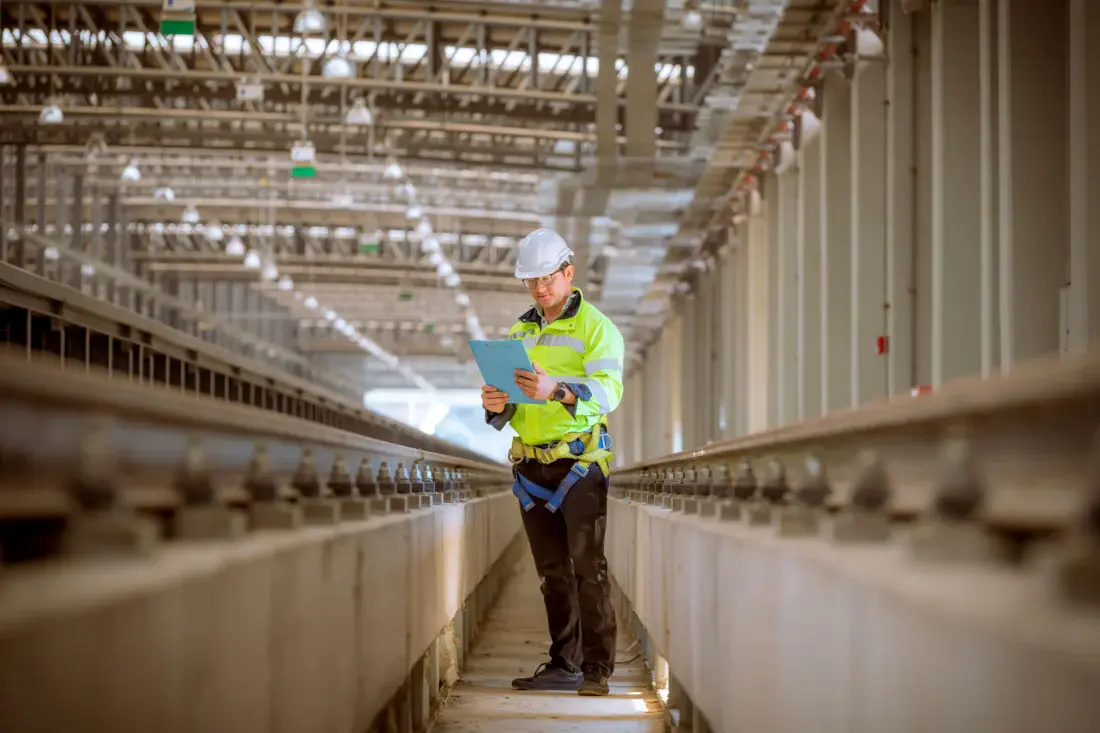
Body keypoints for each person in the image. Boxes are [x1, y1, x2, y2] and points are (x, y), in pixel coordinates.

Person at [481, 228, 625, 697]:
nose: (540, 288)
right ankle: (564, 662)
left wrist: (557, 390)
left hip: (580, 465)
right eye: (531, 281)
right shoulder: (521, 330)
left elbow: (609, 392)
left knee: (589, 568)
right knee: (553, 573)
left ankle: (598, 669)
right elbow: (514, 405)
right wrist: (496, 402)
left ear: (569, 272)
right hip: (532, 468)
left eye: (547, 278)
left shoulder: (596, 328)